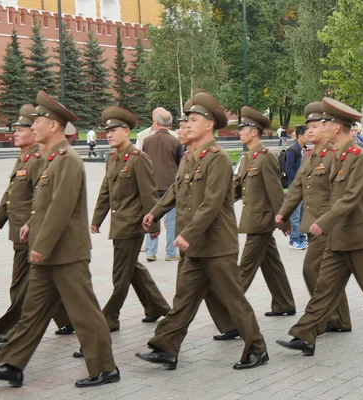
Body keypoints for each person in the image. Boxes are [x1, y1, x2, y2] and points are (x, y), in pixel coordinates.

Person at [0, 91, 119, 388]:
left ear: (53, 125)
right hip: (46, 251)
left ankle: (106, 368)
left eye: (37, 120)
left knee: (85, 313)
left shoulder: (68, 160)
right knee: (32, 310)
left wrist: (40, 245)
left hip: (66, 253)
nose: (33, 125)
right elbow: (43, 203)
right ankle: (12, 364)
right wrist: (30, 224)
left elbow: (61, 207)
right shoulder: (50, 160)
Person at [135, 92, 268, 370]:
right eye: (186, 121)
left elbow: (212, 202)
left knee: (233, 299)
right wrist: (154, 212)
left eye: (193, 120)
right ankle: (165, 348)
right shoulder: (188, 158)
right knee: (183, 298)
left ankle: (256, 348)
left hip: (217, 245)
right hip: (194, 245)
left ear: (208, 125)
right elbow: (175, 190)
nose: (186, 125)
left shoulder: (216, 158)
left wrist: (187, 234)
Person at [277, 97, 363, 356]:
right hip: (337, 235)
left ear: (336, 127)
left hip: (358, 236)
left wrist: (321, 222)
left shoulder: (356, 156)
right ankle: (305, 335)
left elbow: (351, 197)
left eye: (324, 123)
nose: (319, 127)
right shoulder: (334, 155)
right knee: (324, 288)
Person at [0, 105, 72, 349]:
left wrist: (32, 224)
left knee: (21, 283)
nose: (16, 133)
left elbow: (42, 198)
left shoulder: (36, 159)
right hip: (18, 229)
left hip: (29, 231)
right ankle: (68, 319)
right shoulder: (24, 157)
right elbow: (11, 193)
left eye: (21, 129)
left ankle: (11, 330)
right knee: (43, 281)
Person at [212, 106, 296, 341]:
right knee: (271, 264)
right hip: (254, 219)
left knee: (243, 271)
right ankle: (284, 302)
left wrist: (283, 219)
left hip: (261, 221)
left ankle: (232, 320)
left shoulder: (265, 157)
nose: (240, 132)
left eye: (243, 129)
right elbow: (236, 187)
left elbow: (275, 191)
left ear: (255, 132)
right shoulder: (248, 157)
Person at [90, 106, 171, 331]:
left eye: (114, 130)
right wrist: (97, 218)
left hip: (132, 226)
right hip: (119, 224)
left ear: (126, 132)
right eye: (107, 131)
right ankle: (156, 306)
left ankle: (110, 318)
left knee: (120, 274)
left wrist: (153, 226)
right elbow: (106, 190)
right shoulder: (113, 157)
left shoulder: (138, 158)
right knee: (131, 268)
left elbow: (149, 194)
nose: (109, 134)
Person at [277, 101, 352, 334]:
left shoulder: (333, 156)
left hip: (326, 225)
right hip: (313, 225)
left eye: (314, 127)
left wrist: (328, 221)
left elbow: (340, 193)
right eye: (307, 127)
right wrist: (282, 213)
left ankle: (330, 317)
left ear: (327, 128)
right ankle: (338, 319)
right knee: (323, 274)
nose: (309, 131)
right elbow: (297, 188)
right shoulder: (310, 155)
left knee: (312, 270)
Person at [142, 109, 183, 262]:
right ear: (171, 124)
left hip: (151, 185)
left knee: (151, 218)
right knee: (172, 221)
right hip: (170, 187)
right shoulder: (175, 141)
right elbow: (180, 163)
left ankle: (150, 252)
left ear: (157, 123)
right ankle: (171, 253)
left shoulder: (147, 141)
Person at [285, 125, 308, 249]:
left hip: (303, 186)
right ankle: (294, 240)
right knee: (295, 214)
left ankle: (301, 237)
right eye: (307, 135)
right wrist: (297, 183)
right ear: (300, 136)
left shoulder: (303, 149)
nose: (309, 136)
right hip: (295, 187)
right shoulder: (292, 150)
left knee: (303, 213)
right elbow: (288, 169)